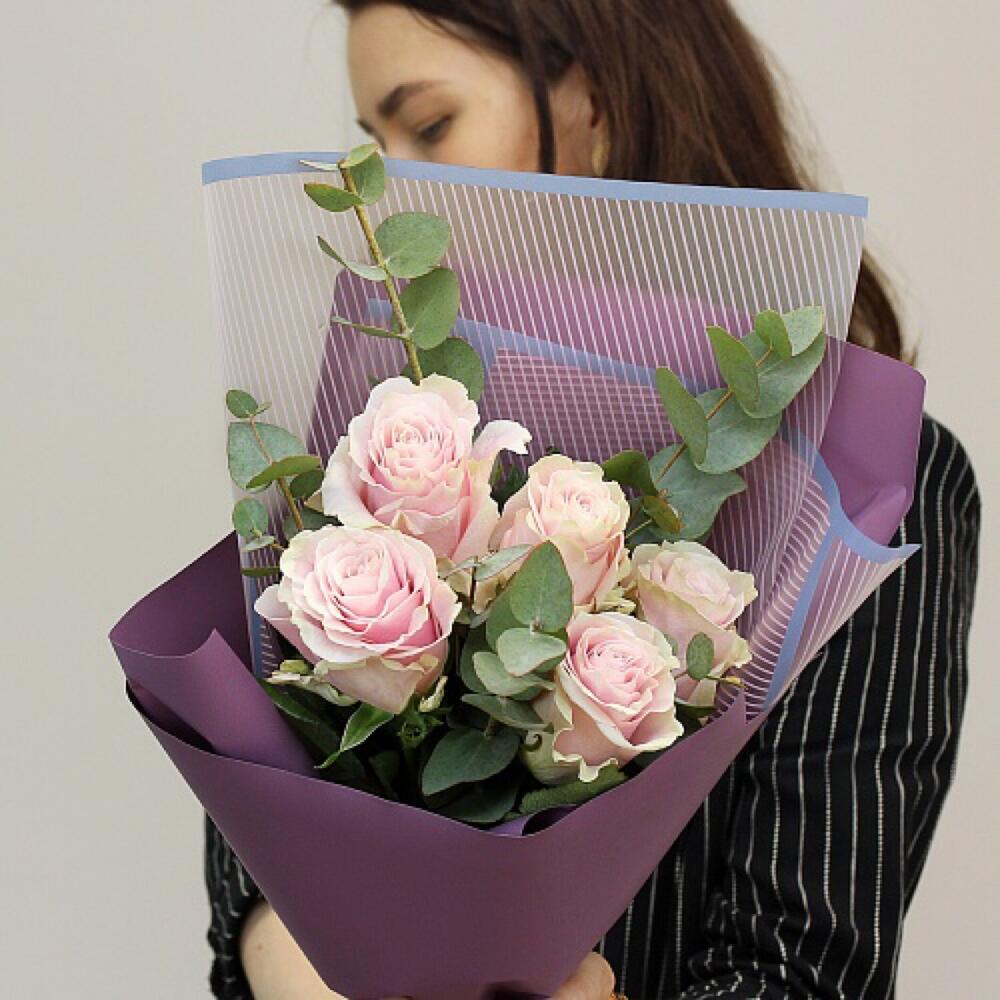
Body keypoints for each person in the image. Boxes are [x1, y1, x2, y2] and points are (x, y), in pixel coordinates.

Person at [205, 3, 982, 998]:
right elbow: (255, 859)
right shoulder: (379, 449)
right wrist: (290, 960)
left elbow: (804, 965)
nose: (389, 190)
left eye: (429, 125)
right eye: (375, 147)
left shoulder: (868, 489)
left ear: (598, 104)